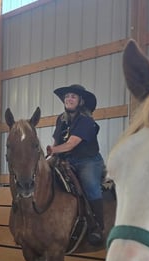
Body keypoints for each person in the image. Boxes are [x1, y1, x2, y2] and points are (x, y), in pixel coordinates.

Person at [47, 84, 105, 245]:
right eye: (66, 97)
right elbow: (57, 141)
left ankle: (98, 227)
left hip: (88, 160)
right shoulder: (61, 119)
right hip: (65, 159)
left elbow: (71, 144)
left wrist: (53, 150)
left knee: (90, 185)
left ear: (80, 101)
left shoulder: (86, 120)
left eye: (73, 96)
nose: (69, 99)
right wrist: (52, 156)